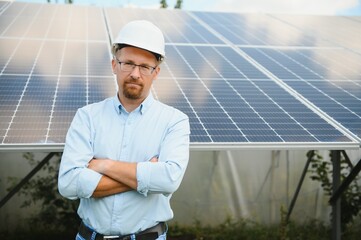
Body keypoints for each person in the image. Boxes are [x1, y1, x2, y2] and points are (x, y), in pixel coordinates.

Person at [58, 20, 190, 240]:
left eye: (145, 67)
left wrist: (104, 165)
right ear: (114, 65)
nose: (135, 74)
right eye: (128, 63)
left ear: (155, 72)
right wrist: (145, 176)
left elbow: (169, 180)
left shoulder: (174, 121)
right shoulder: (87, 117)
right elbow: (69, 184)